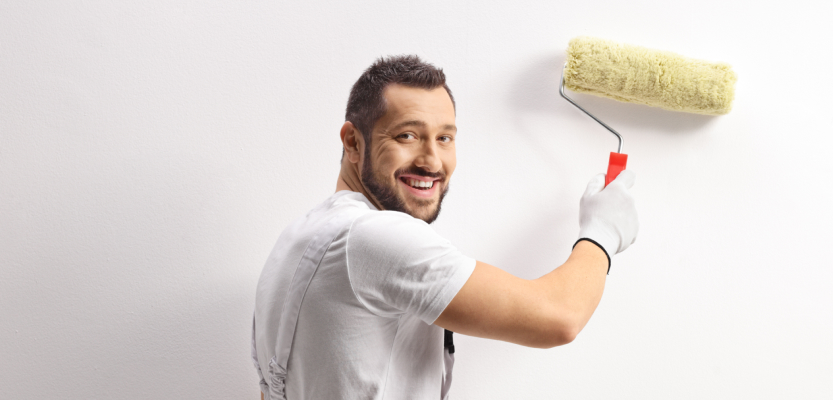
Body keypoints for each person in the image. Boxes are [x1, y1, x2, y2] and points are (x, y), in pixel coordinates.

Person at [251, 55, 638, 400]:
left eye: (445, 138)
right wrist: (602, 232)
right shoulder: (375, 239)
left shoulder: (296, 238)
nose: (433, 161)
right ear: (353, 143)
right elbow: (559, 317)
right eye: (407, 135)